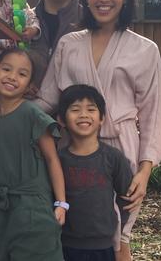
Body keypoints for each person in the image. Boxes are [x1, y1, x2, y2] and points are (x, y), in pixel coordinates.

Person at [35, 0, 161, 261]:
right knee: (73, 233)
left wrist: (145, 171)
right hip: (72, 153)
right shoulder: (69, 44)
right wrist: (12, 114)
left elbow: (152, 114)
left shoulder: (145, 50)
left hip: (121, 153)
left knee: (119, 237)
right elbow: (47, 100)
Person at [0, 48, 67, 261]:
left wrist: (61, 203)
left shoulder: (32, 115)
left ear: (30, 85)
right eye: (6, 69)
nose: (12, 77)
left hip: (33, 211)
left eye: (22, 73)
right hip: (2, 210)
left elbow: (52, 159)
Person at [56, 84, 133, 261]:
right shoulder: (58, 160)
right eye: (75, 109)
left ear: (102, 118)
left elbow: (127, 197)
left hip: (103, 246)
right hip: (66, 245)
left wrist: (113, 227)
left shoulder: (113, 158)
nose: (83, 115)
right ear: (61, 119)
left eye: (91, 109)